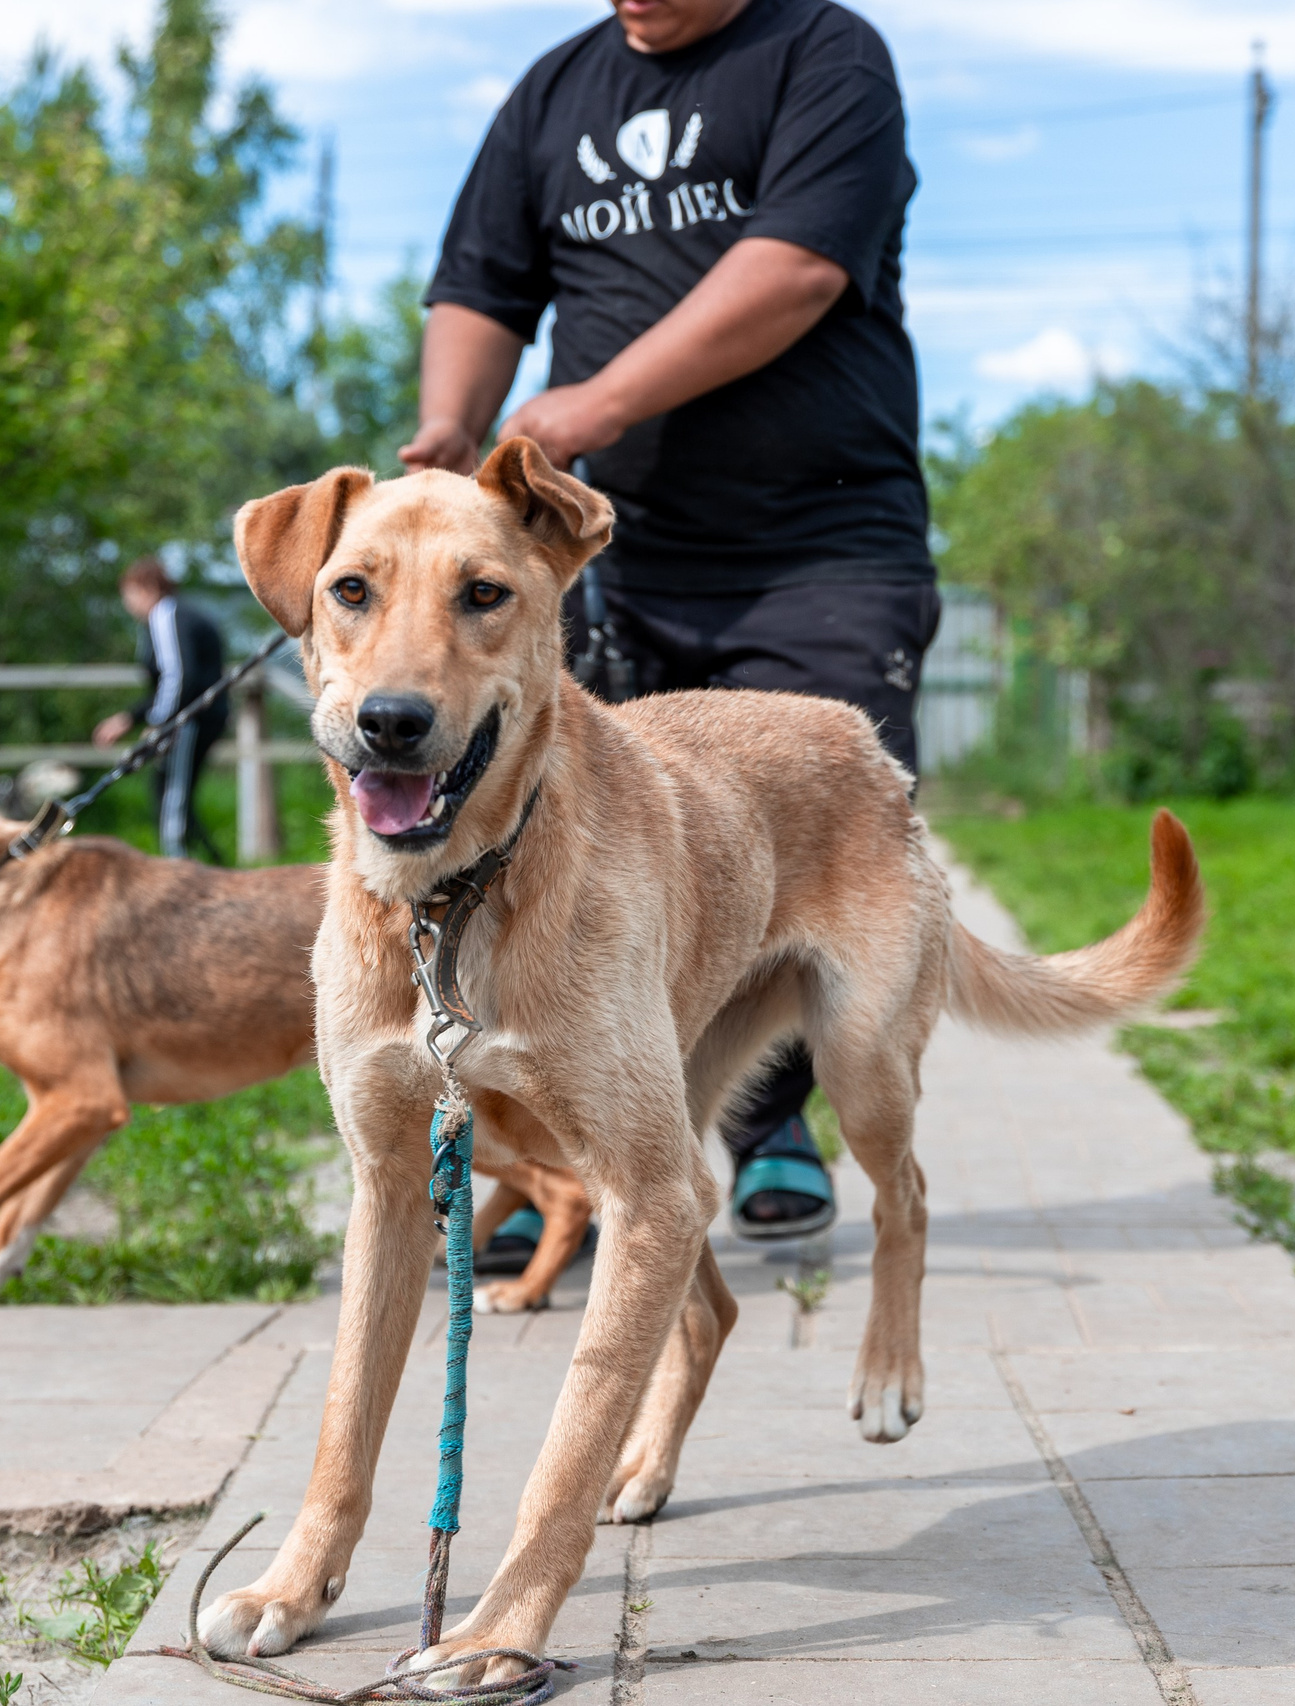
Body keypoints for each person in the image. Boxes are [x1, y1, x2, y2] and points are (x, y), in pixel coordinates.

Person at [404, 0, 937, 1245]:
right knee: (579, 857)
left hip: (820, 544)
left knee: (800, 843)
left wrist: (584, 404)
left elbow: (795, 268)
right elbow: (483, 282)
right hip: (608, 547)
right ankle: (569, 1166)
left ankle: (765, 1130)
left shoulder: (822, 55)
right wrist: (448, 427)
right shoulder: (556, 91)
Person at [92, 556, 230, 861]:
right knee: (170, 791)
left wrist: (161, 723)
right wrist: (129, 718)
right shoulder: (173, 616)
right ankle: (212, 864)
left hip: (190, 721)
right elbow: (164, 684)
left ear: (148, 588)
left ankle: (177, 868)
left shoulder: (165, 614)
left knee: (172, 796)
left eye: (129, 594)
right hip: (192, 717)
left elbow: (178, 675)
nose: (128, 604)